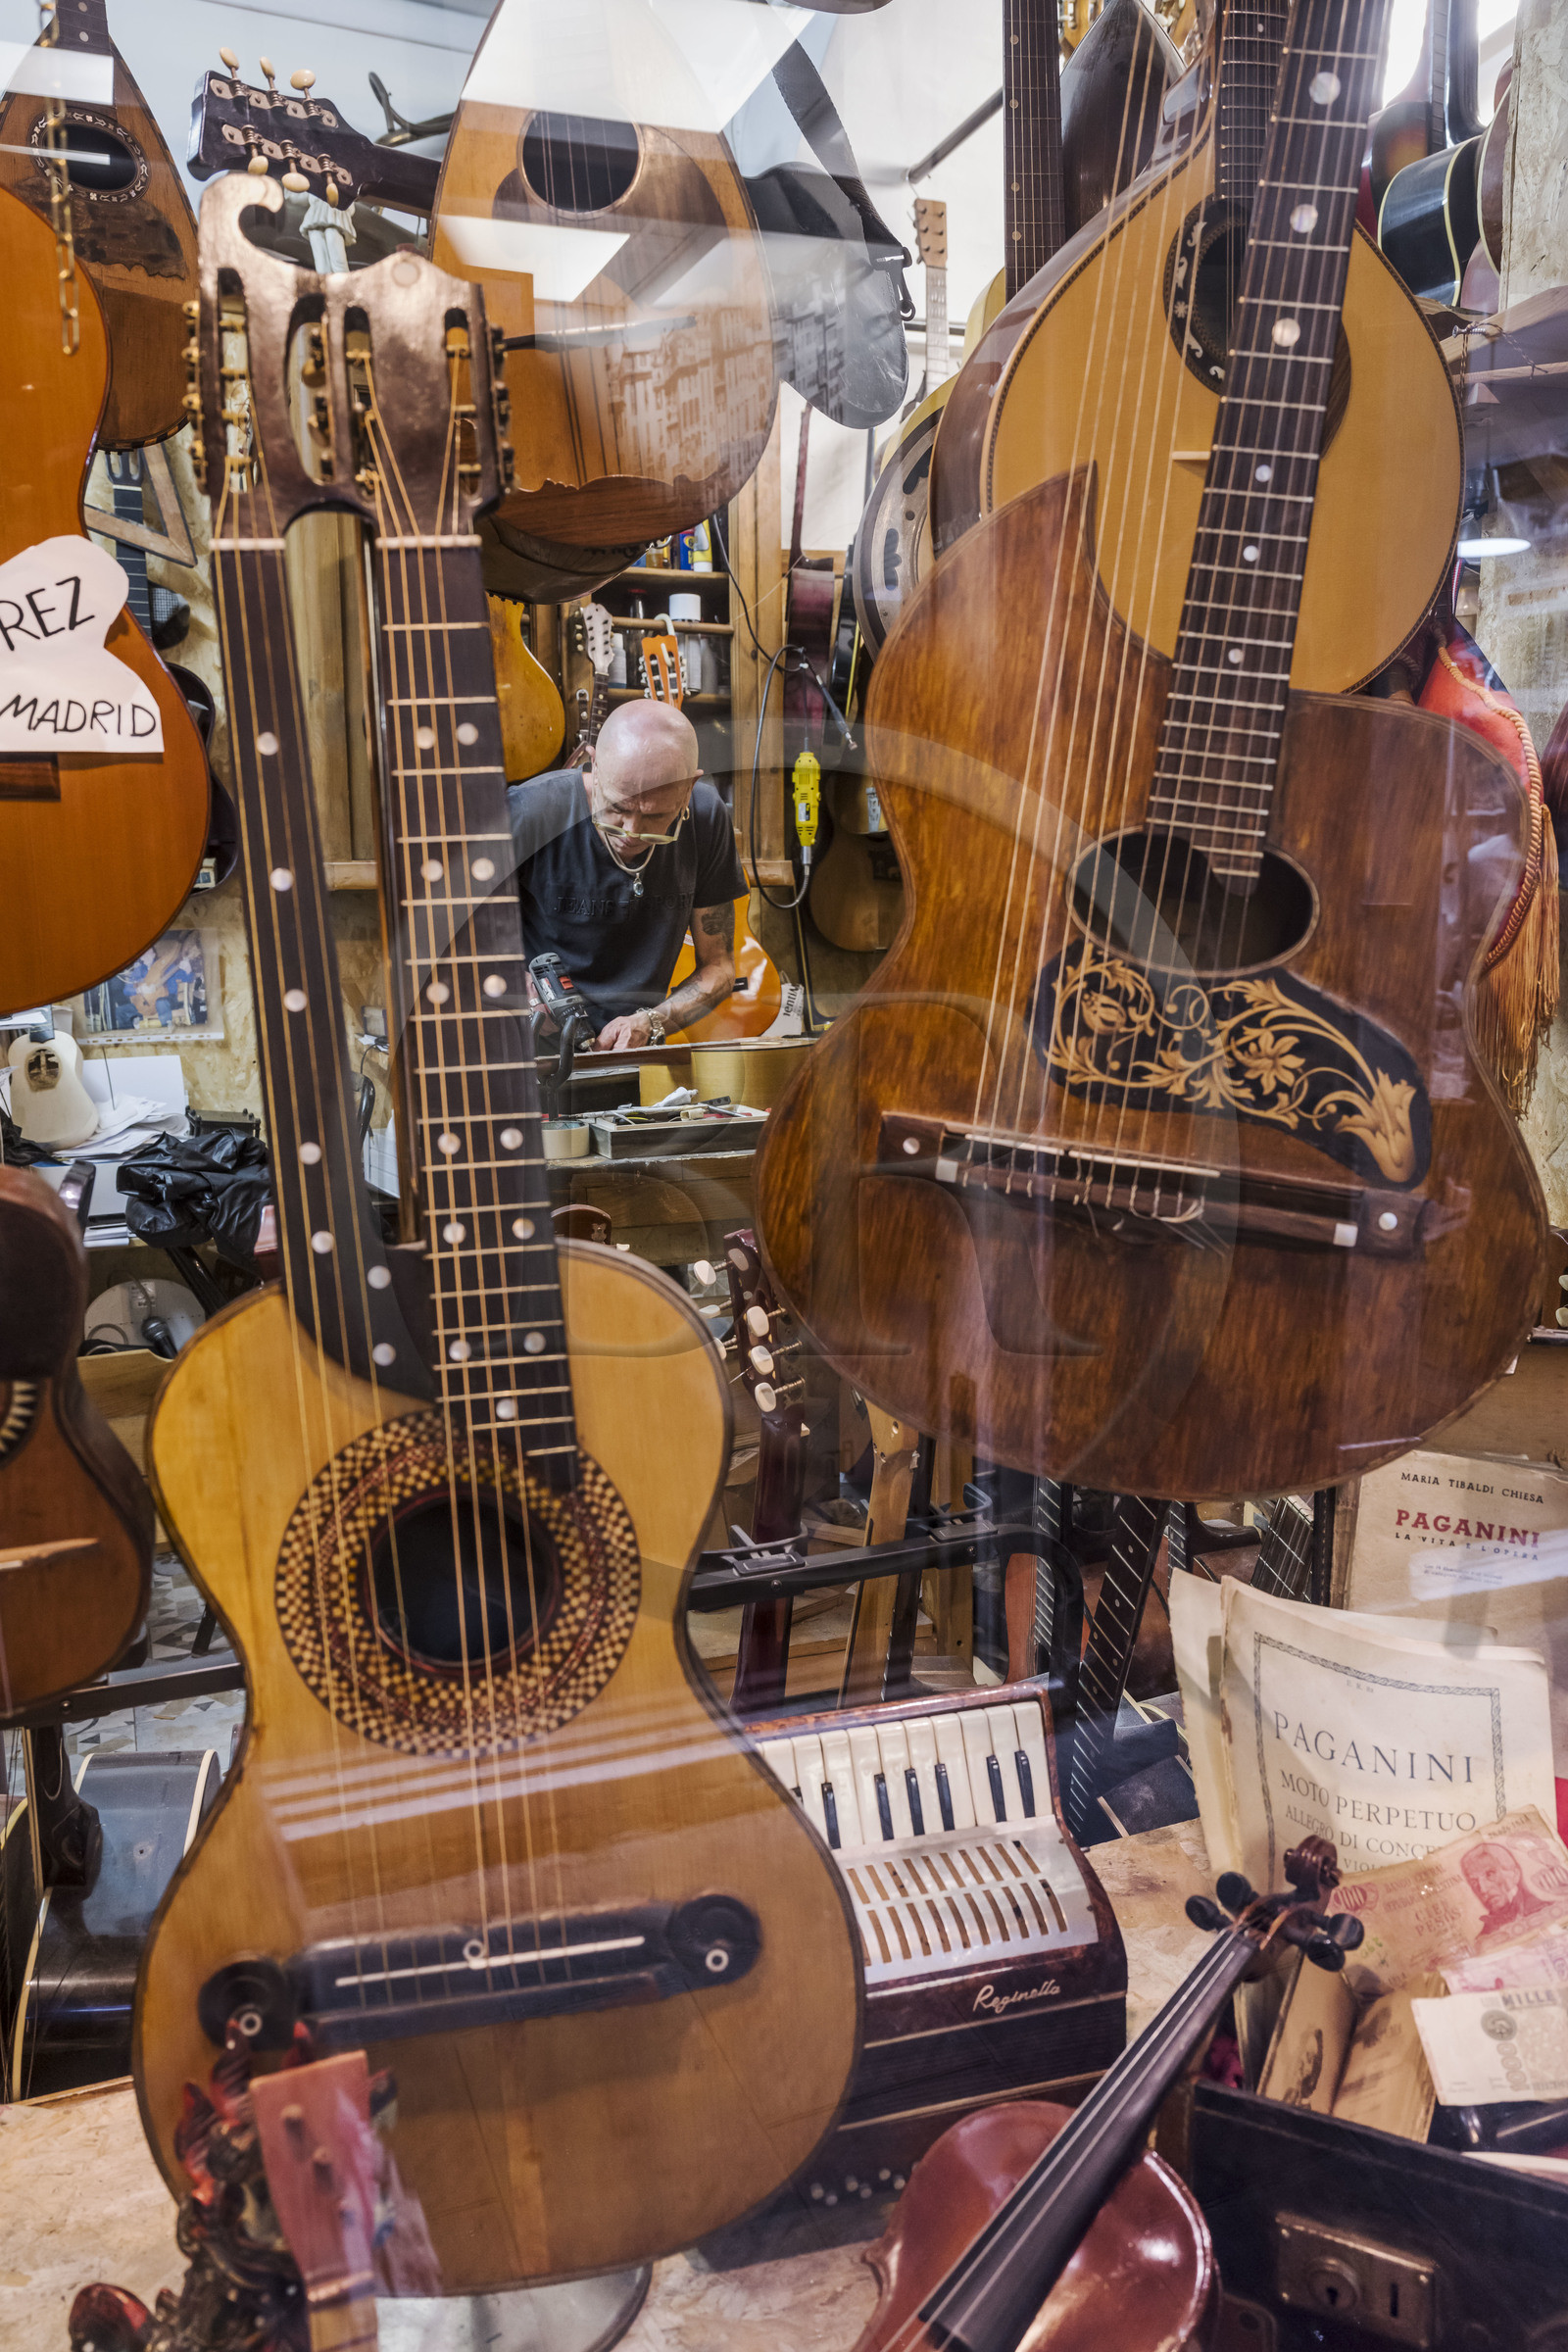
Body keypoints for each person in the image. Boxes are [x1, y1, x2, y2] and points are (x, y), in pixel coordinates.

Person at [508, 702, 747, 1050]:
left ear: (690, 787)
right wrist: (516, 989)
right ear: (595, 764)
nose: (631, 833)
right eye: (617, 808)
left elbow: (719, 968)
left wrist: (653, 1020)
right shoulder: (531, 812)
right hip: (530, 1056)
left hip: (635, 1051)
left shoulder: (707, 818)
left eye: (655, 816)